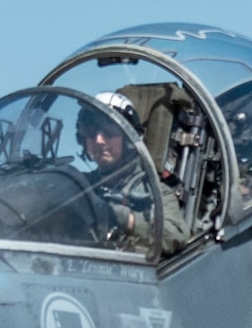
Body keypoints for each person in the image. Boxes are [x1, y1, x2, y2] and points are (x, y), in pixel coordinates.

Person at [75, 92, 187, 255]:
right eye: (90, 131)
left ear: (128, 138)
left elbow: (175, 236)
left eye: (109, 130)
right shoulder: (77, 186)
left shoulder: (156, 192)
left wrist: (127, 220)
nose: (99, 140)